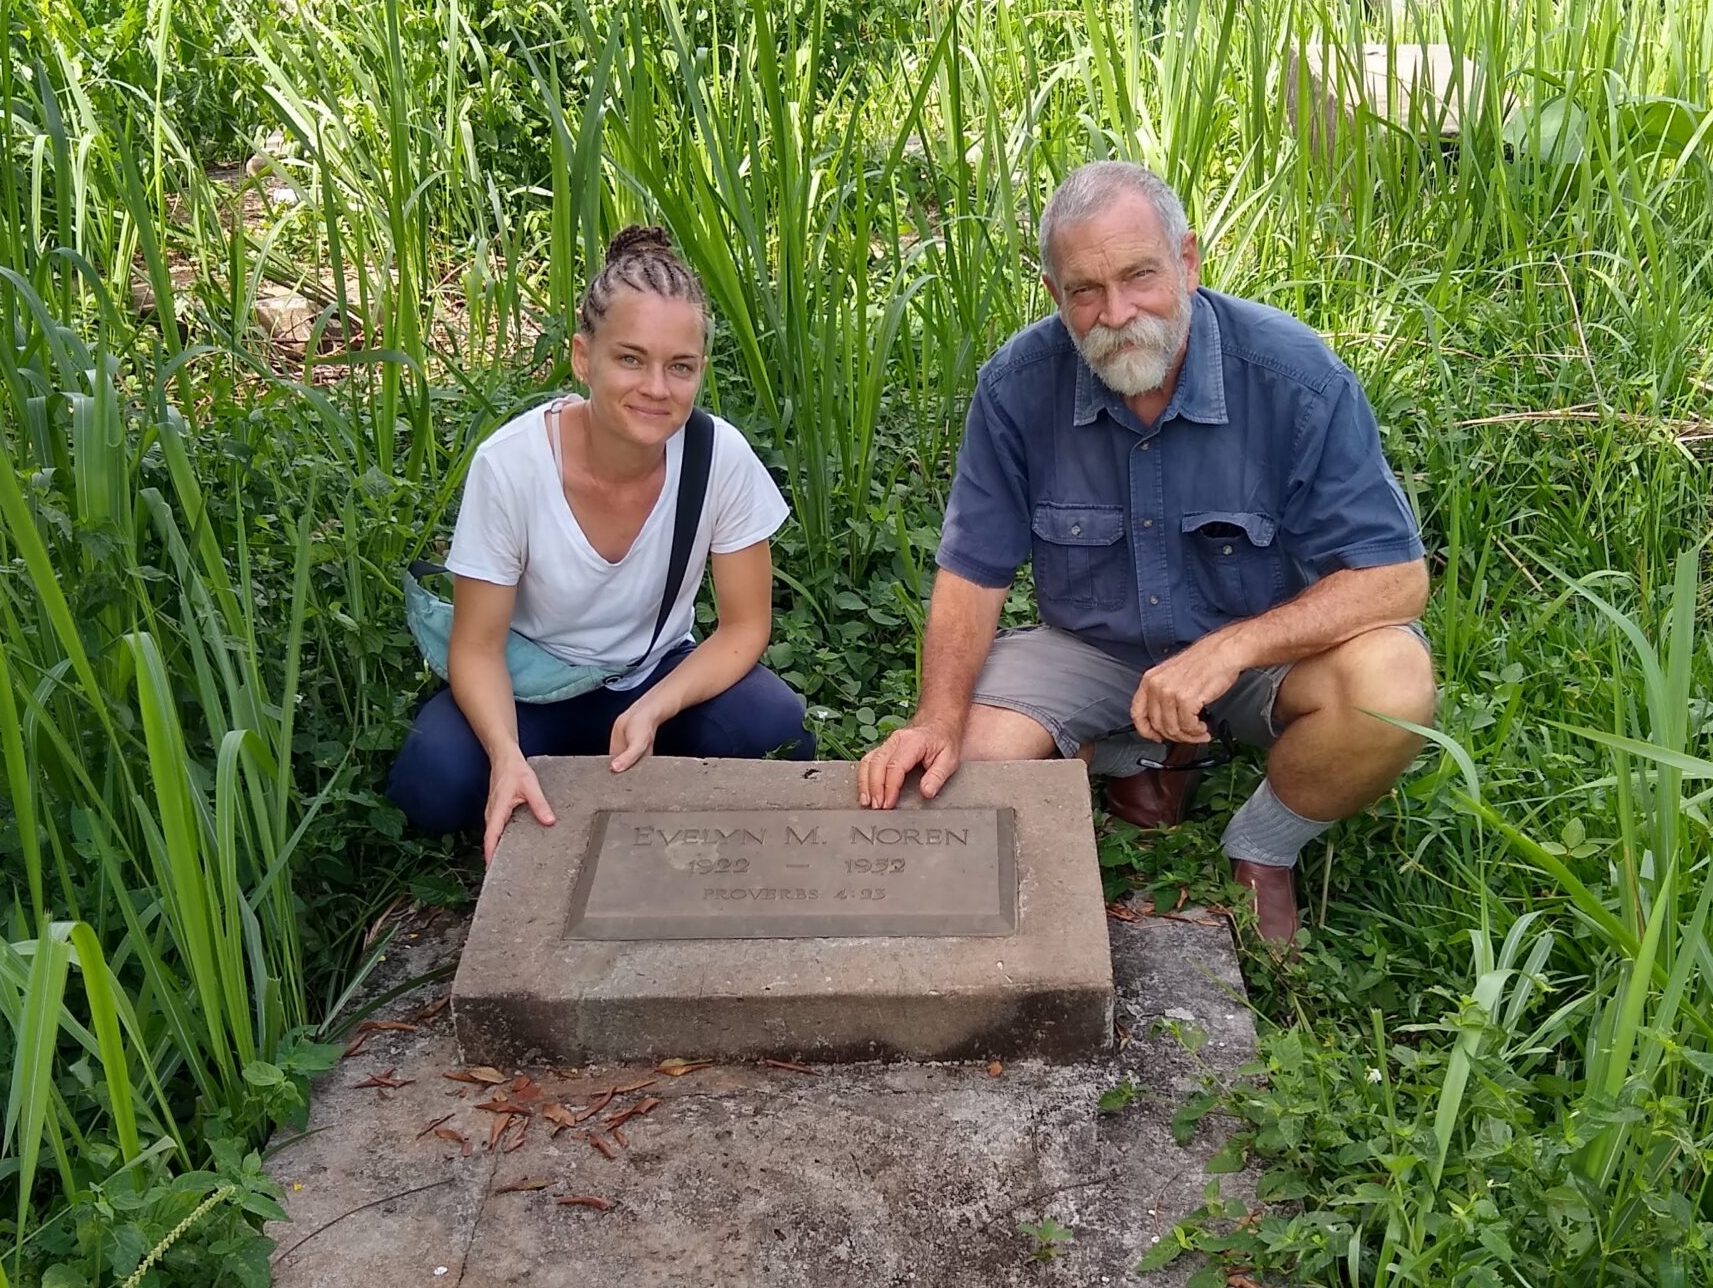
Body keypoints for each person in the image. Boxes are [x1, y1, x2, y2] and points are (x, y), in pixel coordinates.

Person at [857, 161, 1434, 941]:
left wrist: (1233, 648)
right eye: (1085, 290)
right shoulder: (1016, 386)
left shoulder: (1295, 376)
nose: (1116, 313)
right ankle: (1137, 753)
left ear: (1187, 261)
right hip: (1090, 648)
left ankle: (1263, 846)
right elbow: (972, 574)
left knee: (1394, 684)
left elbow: (1396, 580)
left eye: (1139, 276)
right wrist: (934, 718)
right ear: (1054, 293)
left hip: (1260, 656)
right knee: (971, 769)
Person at [387, 225, 811, 861]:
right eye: (631, 359)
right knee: (434, 781)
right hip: (535, 686)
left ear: (700, 372)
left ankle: (626, 754)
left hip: (655, 674)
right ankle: (553, 767)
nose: (657, 388)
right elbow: (476, 647)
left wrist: (655, 707)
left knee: (776, 728)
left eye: (680, 367)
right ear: (584, 358)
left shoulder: (718, 456)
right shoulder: (512, 466)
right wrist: (505, 754)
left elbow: (744, 627)